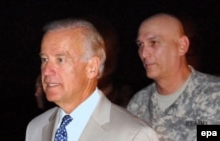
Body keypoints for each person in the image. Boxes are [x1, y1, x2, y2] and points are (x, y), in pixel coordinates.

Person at [26, 18, 159, 141]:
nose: (46, 70)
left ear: (92, 67)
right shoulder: (36, 128)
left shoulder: (134, 135)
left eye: (60, 59)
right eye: (44, 59)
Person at [127, 13, 220, 141]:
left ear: (182, 46)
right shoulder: (137, 104)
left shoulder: (215, 96)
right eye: (140, 45)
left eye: (153, 42)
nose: (144, 53)